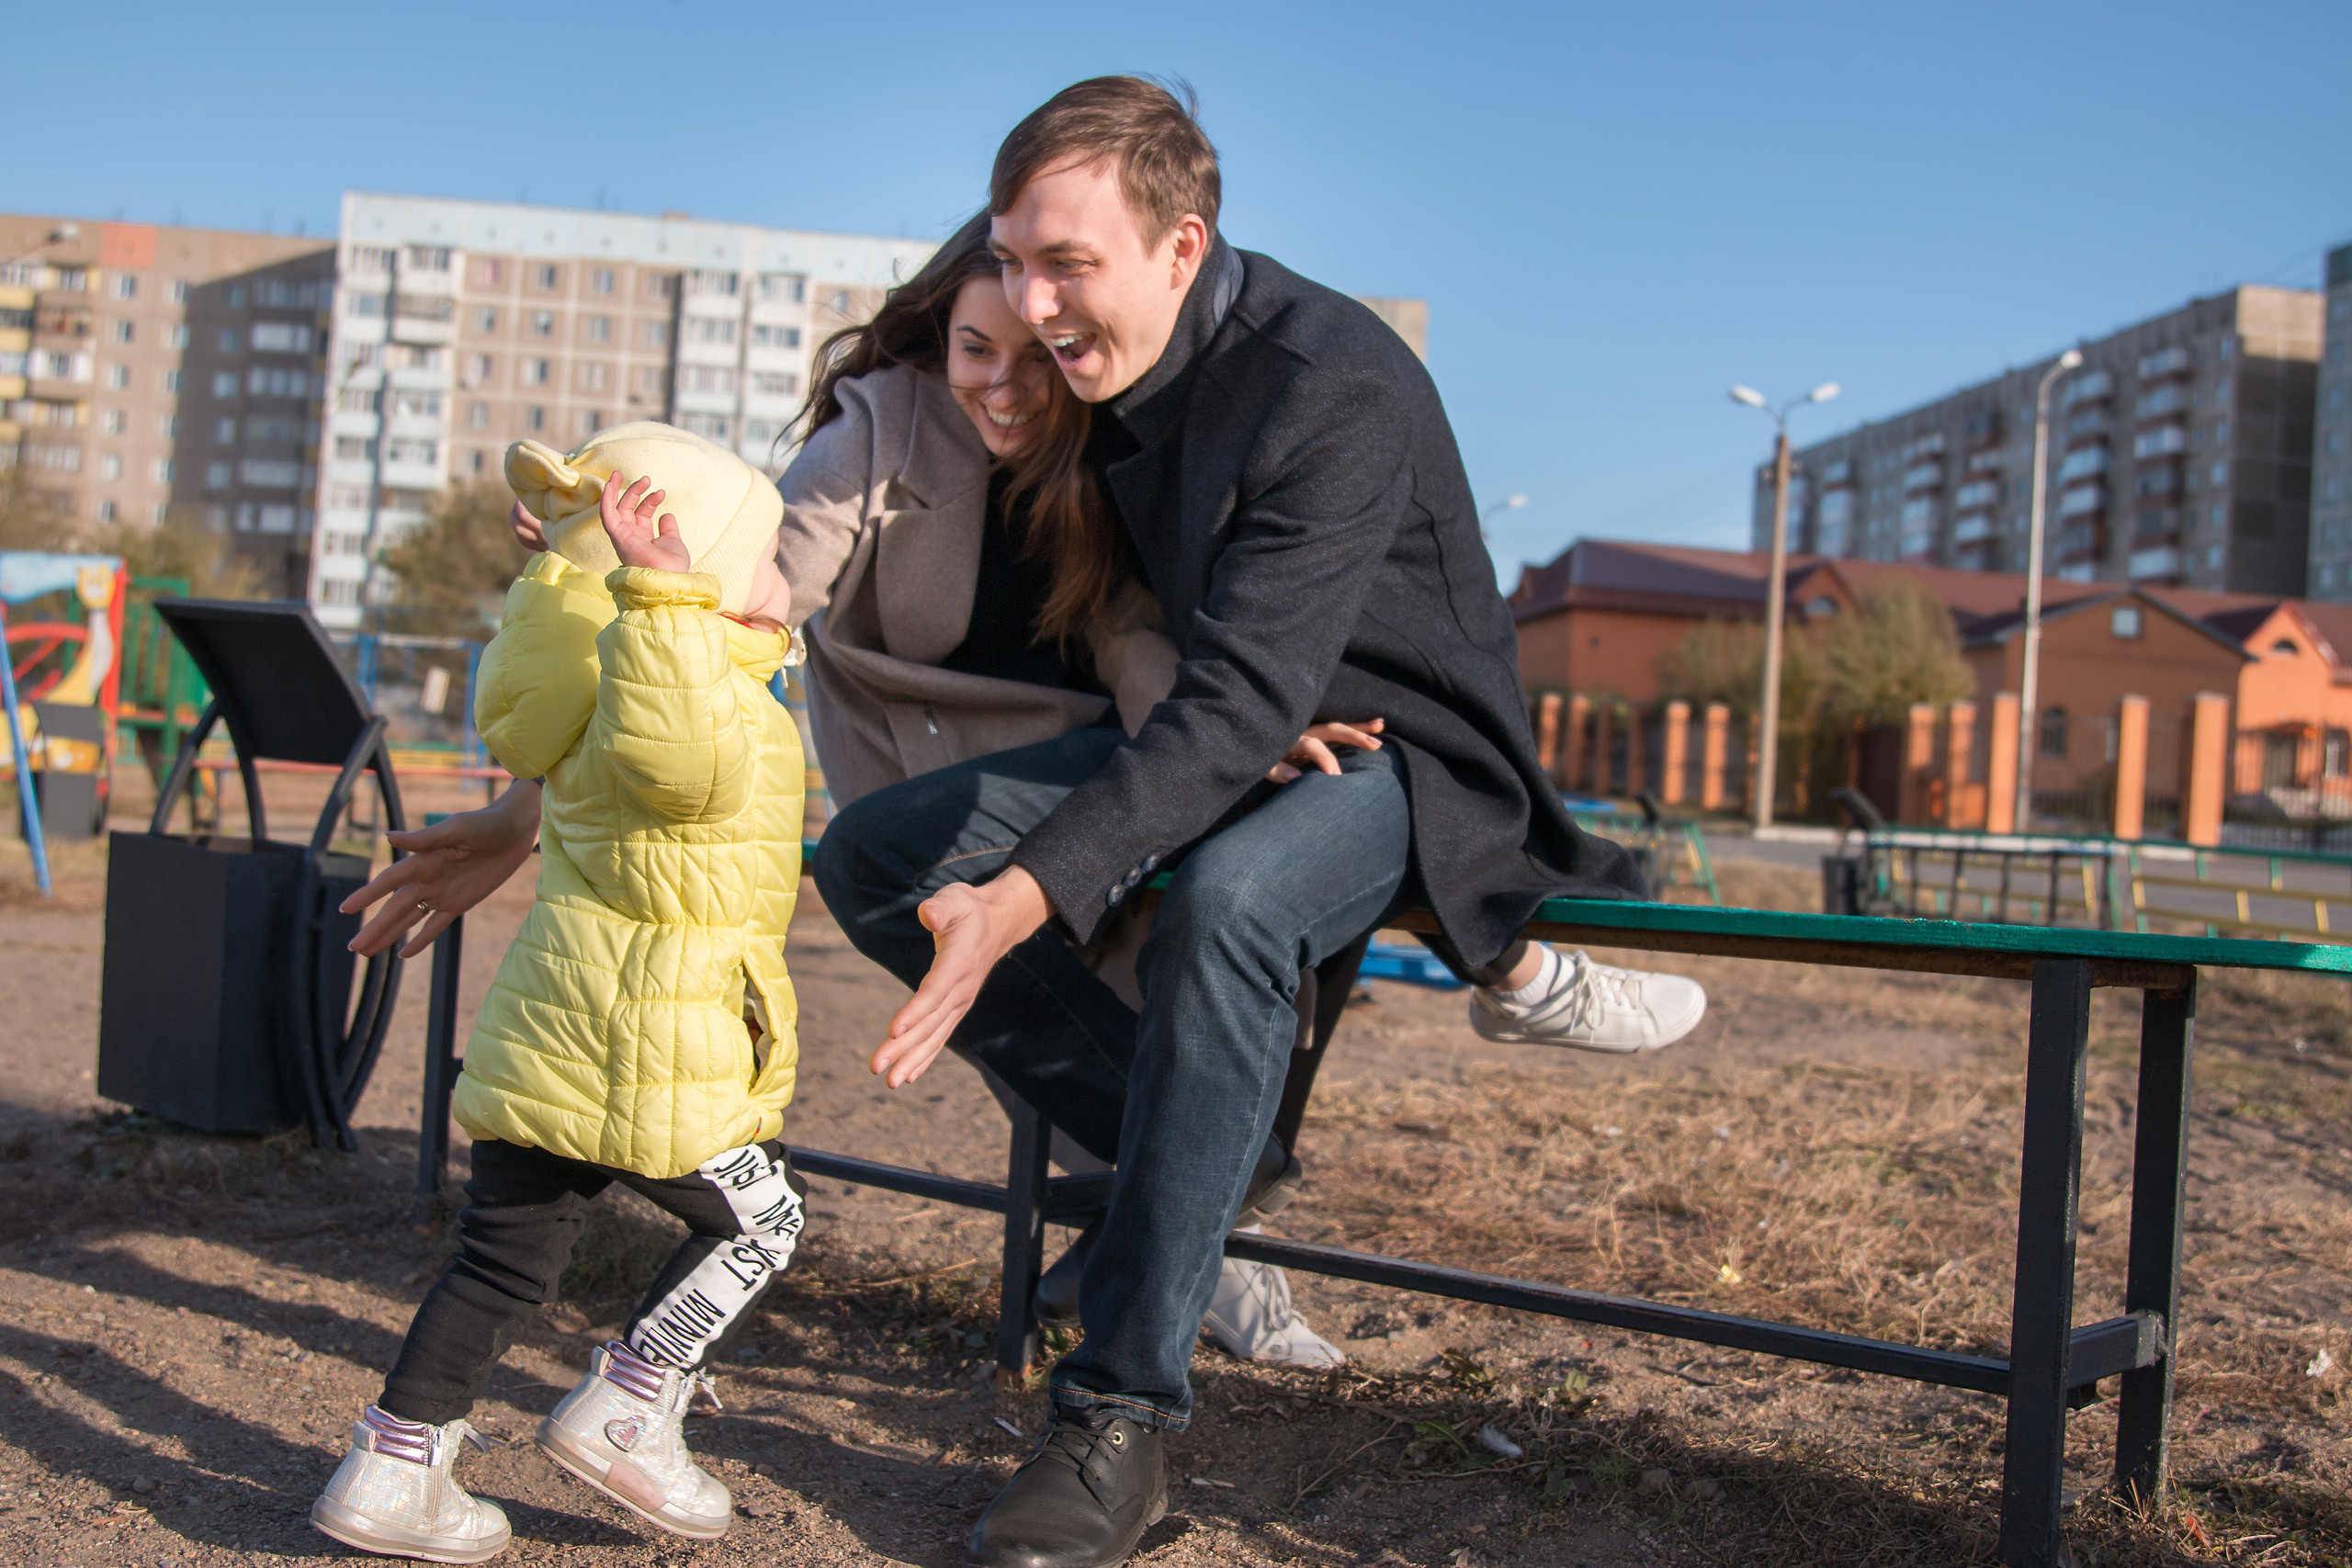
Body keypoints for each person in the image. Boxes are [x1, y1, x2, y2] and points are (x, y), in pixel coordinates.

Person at [810, 78, 1707, 1568]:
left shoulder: (1326, 378)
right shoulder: (1096, 373)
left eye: (1067, 265)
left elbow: (1238, 700)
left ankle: (1117, 1419)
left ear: (1182, 244)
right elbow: (1150, 650)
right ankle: (1211, 1151)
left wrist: (1024, 895)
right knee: (877, 855)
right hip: (1232, 724)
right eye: (1012, 263)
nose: (1033, 305)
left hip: (1397, 753)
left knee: (1230, 904)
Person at [311, 426, 809, 1563]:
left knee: (500, 1261)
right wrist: (667, 602)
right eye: (770, 557)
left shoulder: (589, 676)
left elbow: (540, 702)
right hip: (654, 1048)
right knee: (764, 1219)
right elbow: (680, 767)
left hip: (550, 1035)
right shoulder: (692, 683)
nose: (788, 580)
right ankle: (631, 1402)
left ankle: (394, 1465)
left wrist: (562, 570)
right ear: (700, 574)